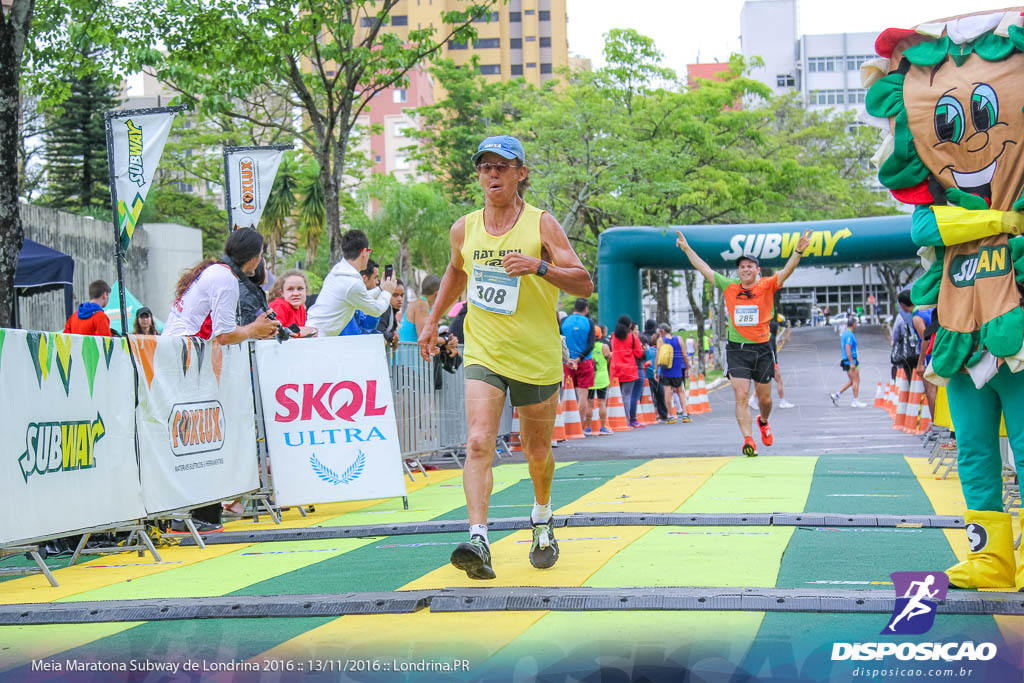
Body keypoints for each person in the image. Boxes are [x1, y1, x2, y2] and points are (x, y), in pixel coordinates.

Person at [417, 134, 593, 580]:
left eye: (502, 166)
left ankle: (541, 516)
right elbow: (456, 272)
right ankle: (479, 539)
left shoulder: (542, 225)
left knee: (536, 453)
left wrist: (539, 267)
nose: (492, 174)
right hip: (485, 351)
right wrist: (432, 320)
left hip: (535, 357)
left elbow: (584, 282)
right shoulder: (464, 228)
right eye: (485, 167)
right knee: (478, 441)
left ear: (521, 173)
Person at [162, 228, 280, 533]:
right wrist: (254, 329)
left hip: (178, 358)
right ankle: (197, 515)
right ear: (254, 258)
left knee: (190, 439)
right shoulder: (225, 278)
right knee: (198, 439)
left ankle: (194, 513)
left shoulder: (214, 271)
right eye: (262, 254)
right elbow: (224, 334)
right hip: (184, 362)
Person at [675, 228, 812, 457]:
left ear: (757, 270)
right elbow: (703, 268)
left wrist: (798, 251)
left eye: (750, 266)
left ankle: (764, 421)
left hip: (763, 348)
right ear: (738, 271)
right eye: (742, 266)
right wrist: (687, 249)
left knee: (764, 399)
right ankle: (748, 440)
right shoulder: (729, 287)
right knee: (740, 395)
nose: (745, 269)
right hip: (737, 349)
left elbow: (787, 271)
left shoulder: (767, 285)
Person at [306, 230, 397, 337]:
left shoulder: (338, 271)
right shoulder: (352, 283)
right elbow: (376, 310)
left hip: (314, 333)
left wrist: (381, 289)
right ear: (364, 252)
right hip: (317, 338)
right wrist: (387, 292)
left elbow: (361, 296)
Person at [561, 298, 596, 434]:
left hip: (567, 362)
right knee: (583, 395)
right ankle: (579, 427)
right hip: (584, 362)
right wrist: (579, 358)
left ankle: (565, 425)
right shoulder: (589, 322)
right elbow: (591, 343)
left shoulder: (564, 321)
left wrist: (568, 358)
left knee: (567, 394)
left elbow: (559, 339)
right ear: (586, 309)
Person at [610, 315, 644, 428]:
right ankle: (626, 420)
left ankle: (616, 419)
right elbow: (639, 353)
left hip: (615, 370)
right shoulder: (632, 337)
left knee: (616, 396)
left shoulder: (613, 336)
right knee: (626, 396)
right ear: (629, 325)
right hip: (629, 370)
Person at [656, 323, 690, 423]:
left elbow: (658, 356)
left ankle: (670, 416)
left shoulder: (661, 340)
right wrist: (687, 367)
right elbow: (684, 354)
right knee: (681, 392)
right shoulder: (679, 339)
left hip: (665, 370)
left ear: (662, 331)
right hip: (677, 370)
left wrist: (656, 370)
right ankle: (685, 415)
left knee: (668, 392)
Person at [268, 269, 317, 338]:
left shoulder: (301, 308)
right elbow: (273, 331)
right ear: (282, 293)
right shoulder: (279, 305)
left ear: (306, 291)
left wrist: (311, 332)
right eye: (290, 289)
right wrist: (299, 331)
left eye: (300, 289)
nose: (296, 293)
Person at [340, 259, 383, 336]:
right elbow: (353, 334)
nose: (377, 282)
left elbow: (367, 326)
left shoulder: (362, 301)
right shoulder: (350, 297)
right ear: (365, 278)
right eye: (375, 278)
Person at [831, 316, 865, 407]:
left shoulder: (845, 334)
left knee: (852, 380)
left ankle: (837, 395)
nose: (856, 325)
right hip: (850, 361)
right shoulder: (849, 335)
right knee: (856, 380)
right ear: (853, 324)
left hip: (848, 360)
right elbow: (848, 349)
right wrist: (852, 363)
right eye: (856, 324)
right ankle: (855, 401)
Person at [400, 274, 441, 343]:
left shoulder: (419, 303)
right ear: (437, 293)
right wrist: (446, 340)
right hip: (411, 353)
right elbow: (424, 338)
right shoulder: (422, 305)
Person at [588, 325, 613, 434]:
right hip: (602, 378)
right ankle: (603, 427)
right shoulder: (604, 346)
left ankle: (587, 427)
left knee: (589, 403)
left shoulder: (586, 346)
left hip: (590, 377)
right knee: (602, 403)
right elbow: (608, 358)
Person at [643, 332, 668, 421]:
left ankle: (662, 414)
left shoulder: (654, 350)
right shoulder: (645, 352)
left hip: (655, 376)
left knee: (659, 395)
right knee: (653, 396)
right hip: (649, 377)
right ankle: (656, 414)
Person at [376, 279, 405, 346]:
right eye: (395, 295)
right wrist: (393, 337)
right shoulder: (385, 309)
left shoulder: (392, 310)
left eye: (402, 295)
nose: (400, 299)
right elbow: (380, 331)